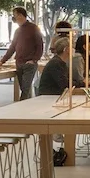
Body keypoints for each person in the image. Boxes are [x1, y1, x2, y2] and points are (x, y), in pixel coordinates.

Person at [35, 31, 73, 165]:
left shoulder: (59, 62)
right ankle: (60, 137)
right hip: (48, 100)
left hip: (53, 98)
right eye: (71, 47)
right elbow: (63, 83)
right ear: (66, 49)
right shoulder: (57, 63)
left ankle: (62, 138)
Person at [0, 6, 44, 100]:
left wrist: (34, 60)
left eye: (15, 15)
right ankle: (27, 108)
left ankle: (22, 108)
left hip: (29, 64)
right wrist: (2, 61)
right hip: (19, 63)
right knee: (24, 89)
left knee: (25, 89)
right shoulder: (18, 31)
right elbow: (12, 47)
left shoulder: (33, 28)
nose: (14, 18)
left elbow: (40, 46)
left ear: (20, 15)